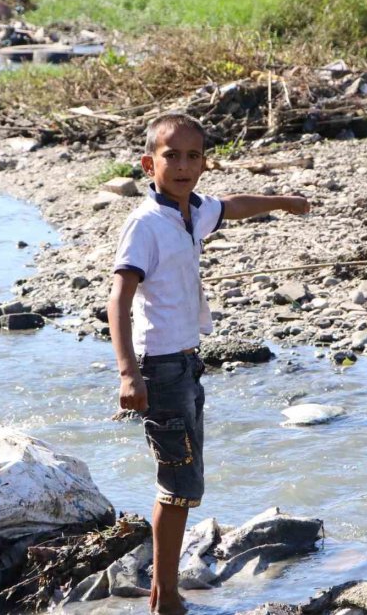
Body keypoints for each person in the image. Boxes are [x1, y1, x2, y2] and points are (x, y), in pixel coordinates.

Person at [107, 113, 309, 614]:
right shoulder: (145, 224)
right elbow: (118, 299)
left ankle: (164, 592)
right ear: (148, 164)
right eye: (171, 156)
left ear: (203, 164)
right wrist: (128, 374)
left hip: (187, 363)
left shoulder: (192, 211)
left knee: (184, 483)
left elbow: (233, 206)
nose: (182, 165)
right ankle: (166, 599)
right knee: (177, 485)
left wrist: (283, 201)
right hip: (159, 367)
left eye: (192, 156)